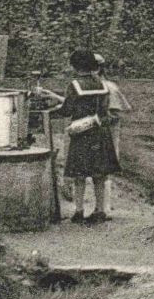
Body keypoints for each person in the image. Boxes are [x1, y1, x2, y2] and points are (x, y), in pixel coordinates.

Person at [36, 49, 121, 224]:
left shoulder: (74, 85)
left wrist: (51, 111)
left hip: (82, 133)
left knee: (79, 174)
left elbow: (67, 109)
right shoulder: (103, 84)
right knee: (99, 174)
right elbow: (105, 109)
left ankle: (79, 211)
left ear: (75, 66)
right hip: (100, 131)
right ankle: (99, 211)